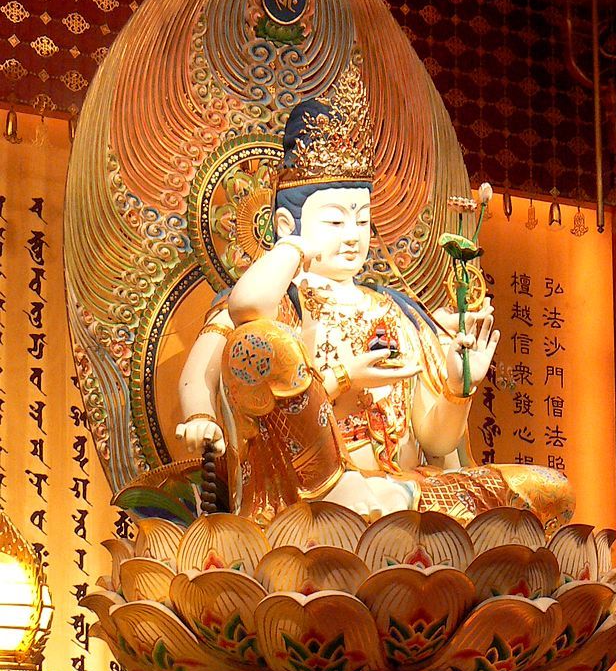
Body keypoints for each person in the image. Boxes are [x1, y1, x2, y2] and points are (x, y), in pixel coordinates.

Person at [177, 64, 574, 528]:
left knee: (549, 492)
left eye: (362, 219)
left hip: (401, 490)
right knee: (258, 342)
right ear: (288, 225)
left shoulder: (395, 312)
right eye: (334, 220)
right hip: (307, 496)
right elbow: (230, 333)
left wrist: (456, 386)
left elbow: (437, 441)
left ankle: (387, 514)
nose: (352, 235)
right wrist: (202, 416)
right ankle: (356, 505)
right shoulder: (271, 303)